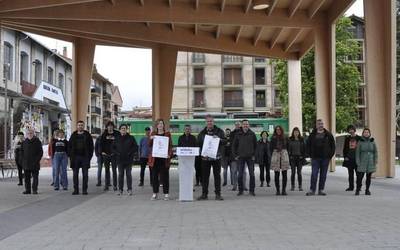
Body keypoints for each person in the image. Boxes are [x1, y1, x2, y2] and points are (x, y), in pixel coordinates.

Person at [197, 115, 226, 201]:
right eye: (208, 121)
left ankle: (218, 194)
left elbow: (225, 141)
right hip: (205, 159)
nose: (209, 123)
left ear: (213, 122)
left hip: (216, 158)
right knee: (205, 177)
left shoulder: (219, 131)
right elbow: (199, 144)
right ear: (205, 122)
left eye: (211, 121)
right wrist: (201, 154)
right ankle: (204, 194)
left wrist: (219, 139)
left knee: (217, 176)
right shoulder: (202, 133)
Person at [306, 119, 336, 196]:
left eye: (322, 123)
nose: (321, 125)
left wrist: (330, 156)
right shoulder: (312, 135)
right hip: (315, 158)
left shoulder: (328, 134)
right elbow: (308, 145)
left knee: (323, 175)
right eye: (319, 124)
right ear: (316, 125)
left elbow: (333, 146)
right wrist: (310, 155)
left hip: (325, 158)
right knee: (314, 174)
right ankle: (312, 190)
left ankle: (321, 190)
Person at [148, 119, 173, 201]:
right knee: (154, 177)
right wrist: (151, 138)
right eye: (158, 124)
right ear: (156, 125)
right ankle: (155, 193)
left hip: (164, 159)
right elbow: (149, 145)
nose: (160, 125)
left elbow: (170, 146)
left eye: (161, 123)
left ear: (163, 125)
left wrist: (169, 154)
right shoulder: (153, 134)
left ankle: (166, 194)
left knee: (165, 177)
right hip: (155, 159)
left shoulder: (167, 134)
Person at [233, 119, 258, 196]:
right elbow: (234, 146)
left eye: (247, 124)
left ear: (248, 125)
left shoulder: (252, 134)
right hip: (240, 157)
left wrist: (254, 155)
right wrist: (235, 155)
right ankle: (240, 190)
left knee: (252, 174)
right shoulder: (238, 134)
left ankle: (252, 191)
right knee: (240, 175)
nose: (245, 125)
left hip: (250, 158)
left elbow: (256, 146)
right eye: (244, 124)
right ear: (242, 125)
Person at [69, 121, 94, 195]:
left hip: (85, 157)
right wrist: (71, 155)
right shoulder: (73, 135)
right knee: (75, 174)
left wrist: (89, 156)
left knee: (85, 174)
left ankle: (84, 190)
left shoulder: (87, 135)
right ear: (77, 126)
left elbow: (91, 146)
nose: (80, 126)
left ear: (84, 126)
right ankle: (76, 190)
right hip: (75, 157)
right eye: (79, 125)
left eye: (82, 125)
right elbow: (69, 146)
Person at [114, 124, 138, 196]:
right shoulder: (117, 138)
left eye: (125, 128)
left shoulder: (131, 138)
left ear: (127, 129)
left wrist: (130, 153)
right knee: (120, 174)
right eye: (122, 128)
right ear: (120, 130)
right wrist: (117, 153)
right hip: (120, 160)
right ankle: (120, 190)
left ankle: (129, 189)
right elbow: (112, 148)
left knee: (128, 174)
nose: (123, 130)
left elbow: (135, 147)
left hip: (128, 160)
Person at [355, 128, 377, 196]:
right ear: (363, 133)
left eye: (367, 132)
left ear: (369, 133)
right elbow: (357, 153)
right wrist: (358, 161)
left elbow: (375, 152)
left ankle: (367, 190)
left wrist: (375, 160)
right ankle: (358, 189)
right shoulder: (360, 142)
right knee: (359, 177)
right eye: (365, 132)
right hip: (362, 161)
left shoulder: (372, 141)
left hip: (370, 162)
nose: (366, 133)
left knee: (368, 177)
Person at [21, 128, 43, 194]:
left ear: (33, 134)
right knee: (27, 178)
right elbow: (21, 152)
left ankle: (34, 190)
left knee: (35, 178)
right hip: (26, 163)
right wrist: (22, 160)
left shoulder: (37, 141)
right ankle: (28, 190)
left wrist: (37, 160)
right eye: (28, 133)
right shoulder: (24, 142)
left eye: (31, 133)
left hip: (35, 163)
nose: (30, 134)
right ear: (26, 134)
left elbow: (40, 152)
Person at [100, 121, 121, 191]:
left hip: (114, 155)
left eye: (111, 126)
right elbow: (101, 144)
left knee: (114, 170)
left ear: (113, 127)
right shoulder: (104, 134)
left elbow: (119, 143)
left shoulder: (117, 134)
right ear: (107, 127)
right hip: (106, 155)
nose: (110, 127)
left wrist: (117, 152)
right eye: (108, 126)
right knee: (106, 171)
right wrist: (102, 152)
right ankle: (106, 185)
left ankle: (115, 185)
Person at [270, 126, 290, 196]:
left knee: (284, 174)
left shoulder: (285, 137)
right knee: (276, 174)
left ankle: (283, 190)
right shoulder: (273, 138)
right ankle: (278, 190)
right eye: (277, 129)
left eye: (279, 129)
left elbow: (288, 146)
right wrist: (272, 155)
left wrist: (287, 154)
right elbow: (270, 148)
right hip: (276, 154)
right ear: (275, 130)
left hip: (284, 154)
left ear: (281, 130)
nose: (278, 131)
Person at [343, 125, 361, 191]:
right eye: (349, 130)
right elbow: (344, 149)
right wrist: (345, 157)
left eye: (352, 129)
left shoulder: (359, 138)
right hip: (349, 158)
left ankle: (358, 187)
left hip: (357, 158)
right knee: (350, 174)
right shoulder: (347, 138)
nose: (351, 131)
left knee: (358, 174)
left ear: (354, 130)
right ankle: (351, 187)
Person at [230, 121, 247, 191]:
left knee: (243, 172)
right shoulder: (232, 133)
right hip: (234, 156)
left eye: (239, 124)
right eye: (236, 124)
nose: (237, 126)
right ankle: (234, 186)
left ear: (241, 125)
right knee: (234, 172)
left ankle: (244, 186)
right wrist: (234, 155)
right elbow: (231, 145)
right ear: (235, 126)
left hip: (243, 156)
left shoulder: (244, 132)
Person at [288, 127, 306, 191]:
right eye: (295, 132)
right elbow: (288, 149)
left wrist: (303, 156)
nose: (296, 133)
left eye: (297, 132)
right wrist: (290, 156)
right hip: (292, 158)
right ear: (293, 133)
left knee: (299, 173)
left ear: (299, 133)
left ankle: (300, 186)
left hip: (300, 158)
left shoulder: (302, 139)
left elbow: (304, 149)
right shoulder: (290, 139)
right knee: (293, 173)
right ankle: (292, 186)